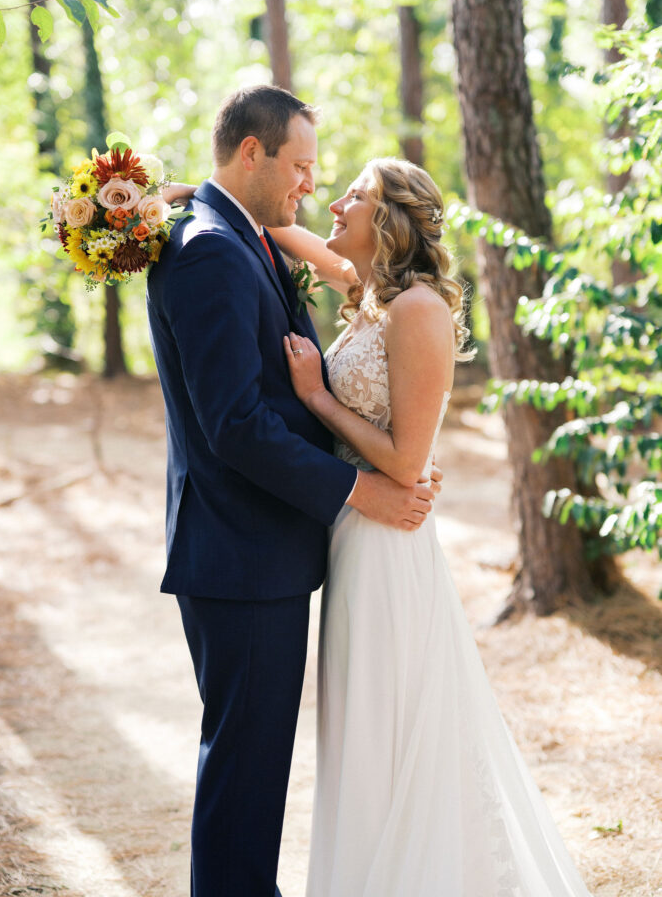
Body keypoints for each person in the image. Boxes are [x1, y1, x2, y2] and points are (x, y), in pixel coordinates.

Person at [146, 85, 441, 897]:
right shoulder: (211, 247)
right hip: (238, 551)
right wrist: (358, 490)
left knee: (252, 764)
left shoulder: (234, 232)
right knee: (245, 767)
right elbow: (235, 424)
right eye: (301, 166)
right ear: (253, 154)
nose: (310, 184)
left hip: (255, 550)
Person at [273, 157, 592, 896]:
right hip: (353, 537)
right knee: (362, 727)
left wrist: (317, 397)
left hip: (388, 544)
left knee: (391, 721)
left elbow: (409, 463)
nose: (337, 200)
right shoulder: (368, 294)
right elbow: (279, 229)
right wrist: (194, 194)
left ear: (390, 221)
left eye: (357, 193)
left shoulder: (416, 309)